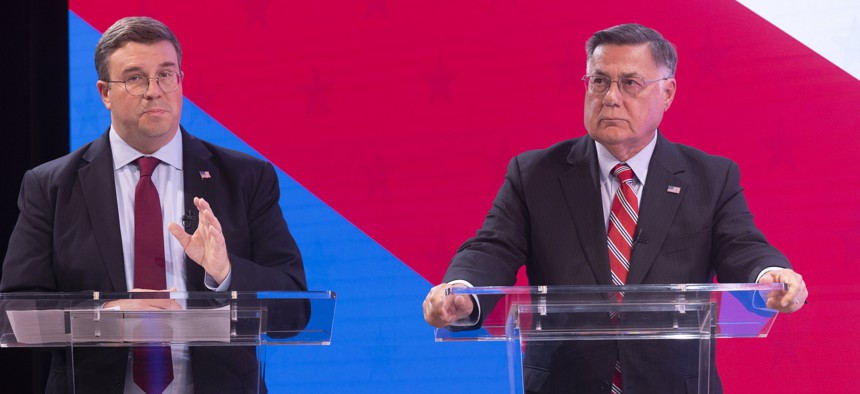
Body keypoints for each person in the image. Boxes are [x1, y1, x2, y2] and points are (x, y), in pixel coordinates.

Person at [423, 23, 808, 393]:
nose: (610, 96)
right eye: (599, 81)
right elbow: (492, 247)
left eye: (630, 83)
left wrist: (770, 274)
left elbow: (741, 245)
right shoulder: (535, 173)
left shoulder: (710, 176)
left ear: (668, 92)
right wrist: (463, 290)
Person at [0, 16, 307, 393]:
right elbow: (18, 311)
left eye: (166, 75)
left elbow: (295, 309)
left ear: (180, 82)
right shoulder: (51, 186)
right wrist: (102, 318)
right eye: (134, 77)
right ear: (104, 92)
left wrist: (225, 273)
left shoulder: (246, 178)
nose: (153, 91)